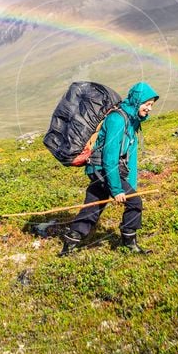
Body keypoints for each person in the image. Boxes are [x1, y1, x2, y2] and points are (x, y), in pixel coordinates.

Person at [60, 82, 159, 256]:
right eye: (147, 104)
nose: (149, 108)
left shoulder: (132, 122)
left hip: (103, 170)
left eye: (152, 105)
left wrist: (130, 187)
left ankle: (69, 243)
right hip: (101, 170)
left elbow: (132, 159)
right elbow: (109, 157)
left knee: (92, 207)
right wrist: (116, 189)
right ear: (137, 101)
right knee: (135, 203)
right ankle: (130, 244)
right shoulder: (117, 119)